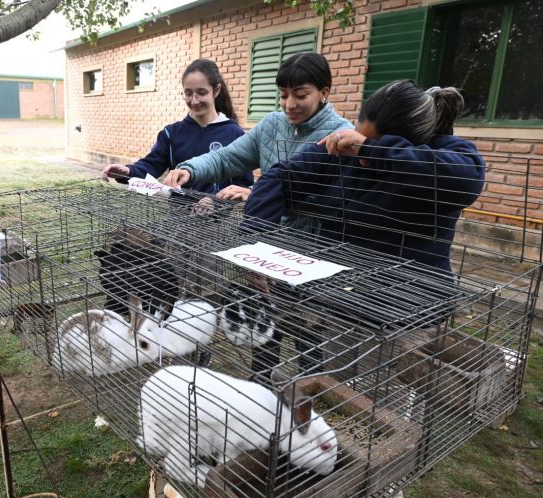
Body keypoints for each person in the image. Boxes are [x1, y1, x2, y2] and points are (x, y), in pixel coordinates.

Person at [243, 80, 486, 379]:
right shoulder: (344, 149)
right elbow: (280, 178)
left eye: (370, 141)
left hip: (409, 312)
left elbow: (468, 178)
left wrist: (373, 150)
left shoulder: (441, 155)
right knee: (337, 392)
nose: (357, 149)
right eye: (360, 134)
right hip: (345, 301)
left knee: (383, 404)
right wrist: (256, 245)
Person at [163, 52, 353, 201]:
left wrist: (255, 192)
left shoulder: (341, 135)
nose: (290, 104)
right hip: (264, 231)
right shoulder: (271, 124)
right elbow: (226, 158)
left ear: (324, 93)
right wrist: (189, 170)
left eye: (301, 95)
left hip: (313, 243)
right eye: (284, 95)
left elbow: (329, 196)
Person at [102, 58, 254, 198]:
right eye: (188, 93)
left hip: (218, 223)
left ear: (216, 90)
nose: (194, 101)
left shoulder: (235, 134)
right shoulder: (171, 133)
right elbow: (151, 165)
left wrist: (216, 201)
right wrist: (127, 171)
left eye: (201, 93)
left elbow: (242, 183)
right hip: (177, 221)